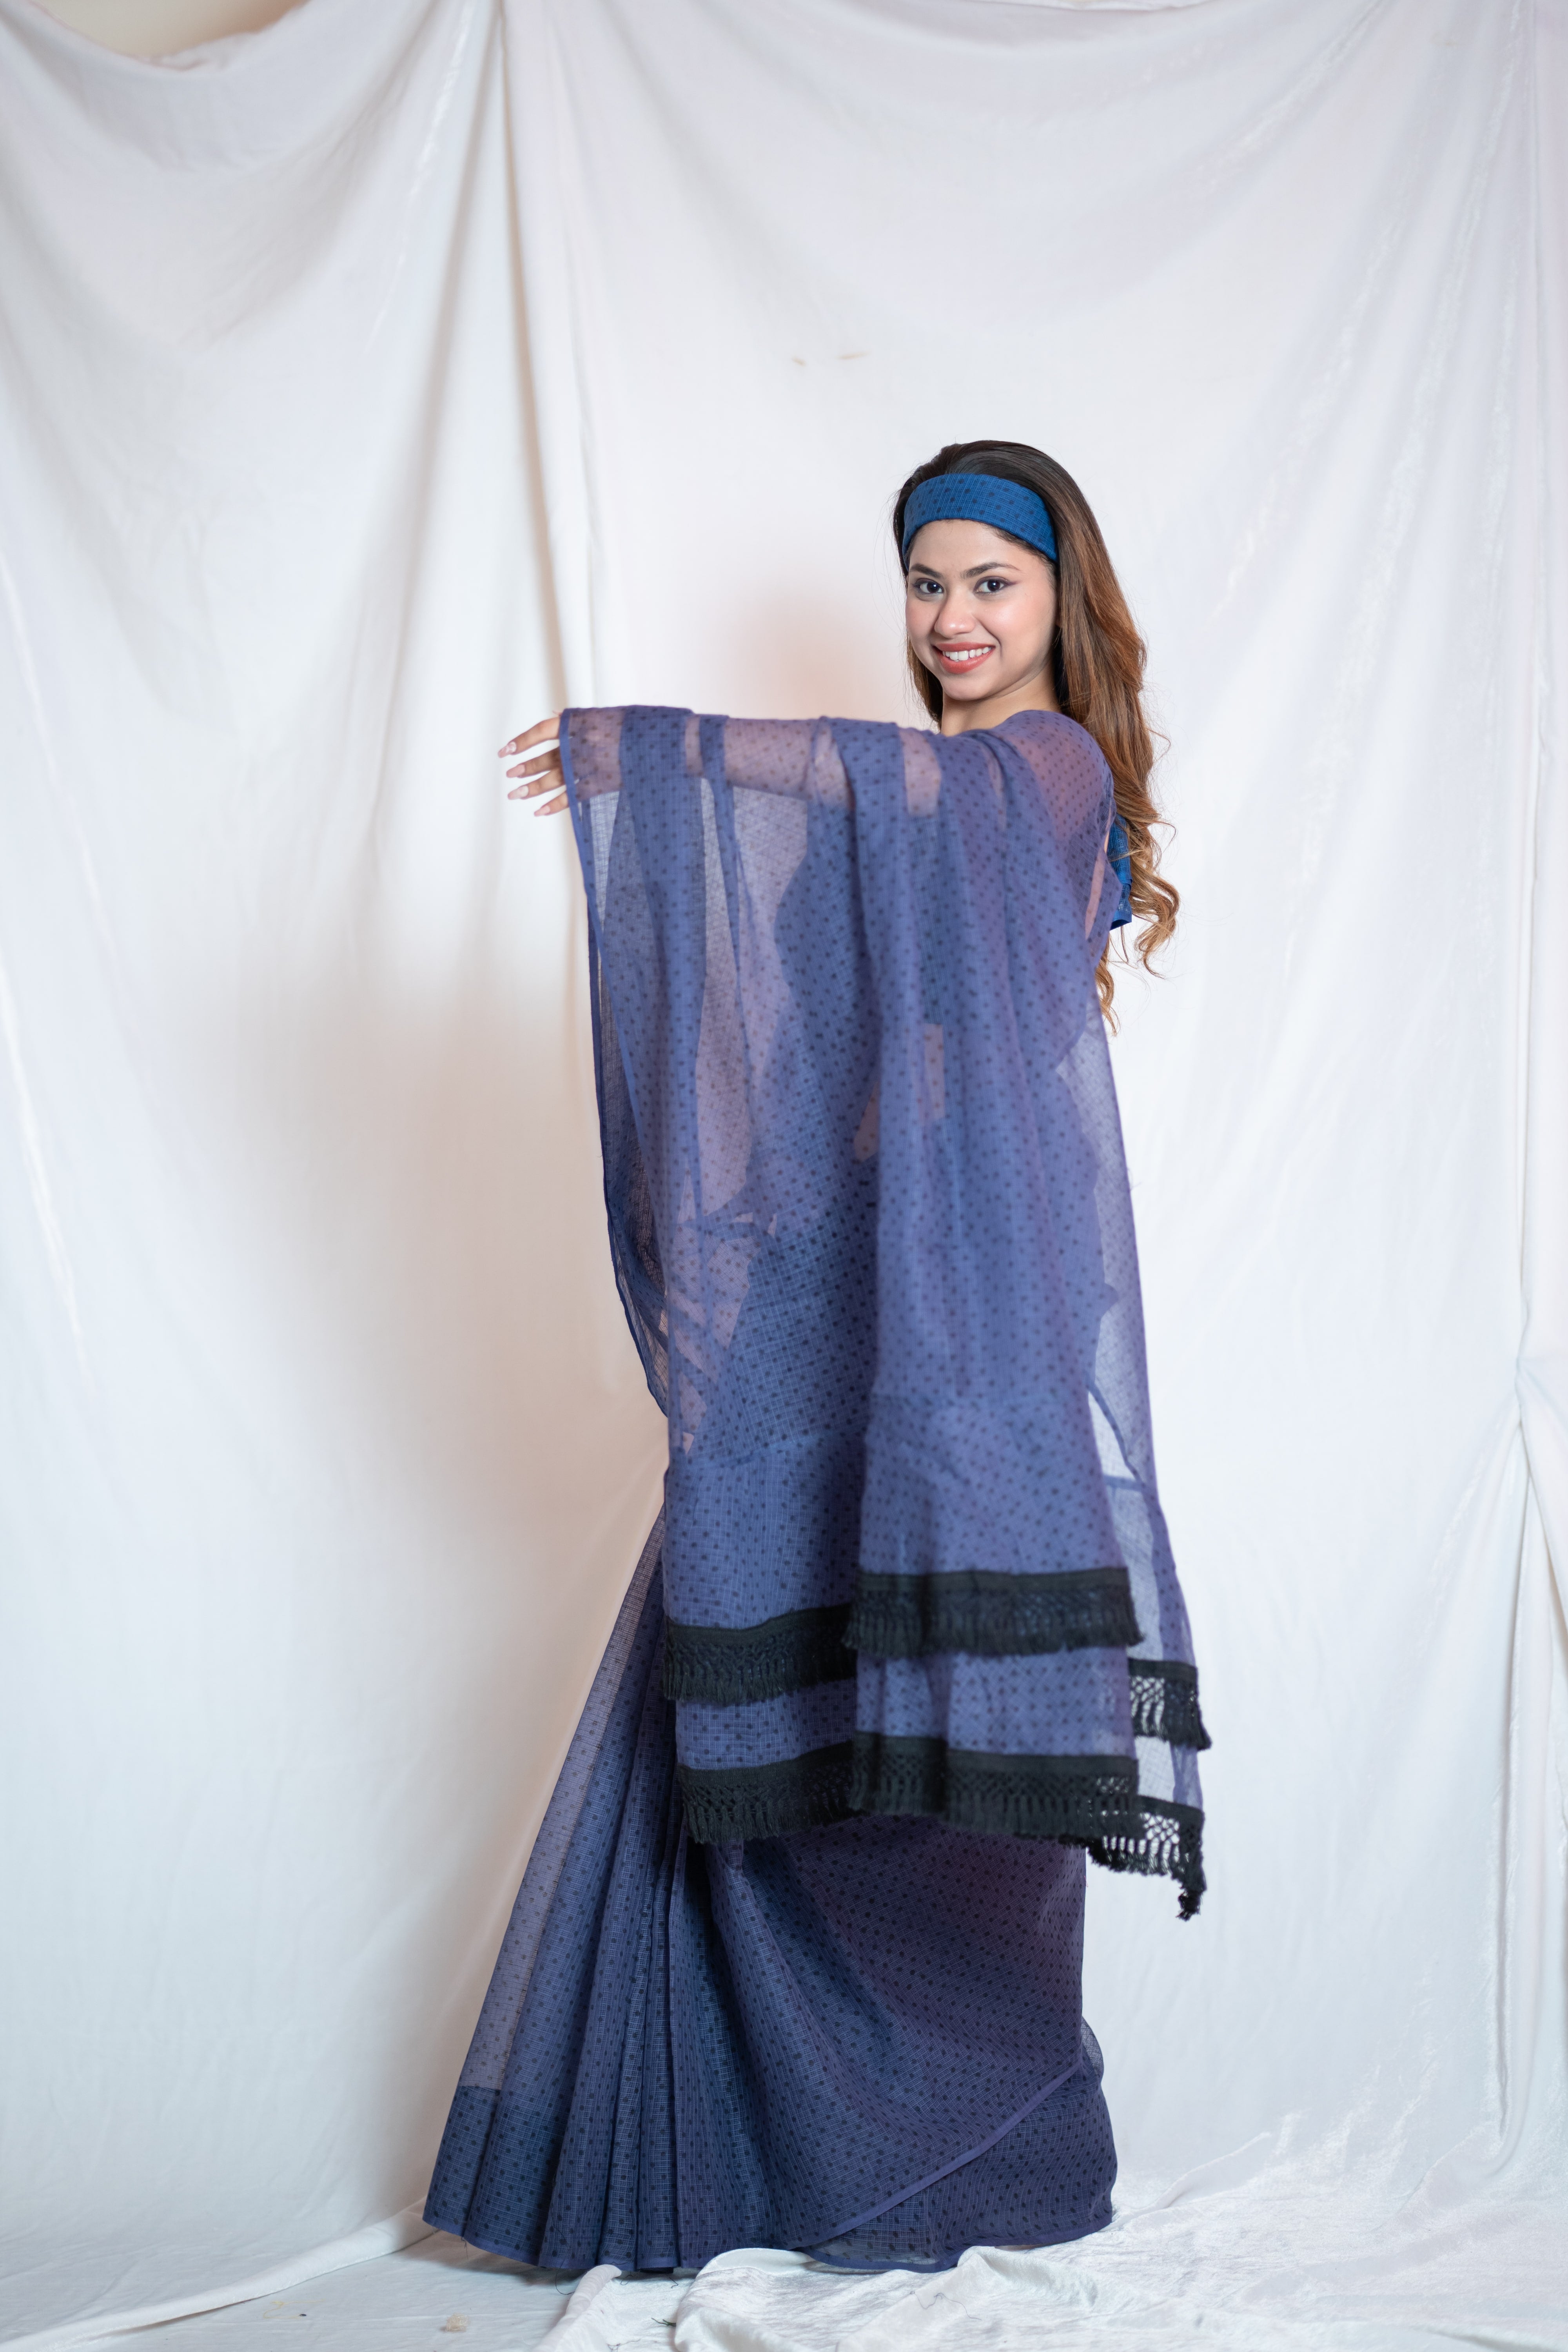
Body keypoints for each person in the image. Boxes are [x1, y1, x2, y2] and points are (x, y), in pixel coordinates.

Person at [424, 440, 1208, 2276]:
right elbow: (808, 1041)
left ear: (1061, 599)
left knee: (967, 1733)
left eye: (990, 583)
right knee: (748, 1685)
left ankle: (969, 2148)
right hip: (836, 1291)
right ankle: (724, 2154)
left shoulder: (1043, 773)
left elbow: (912, 797)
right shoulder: (911, 806)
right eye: (926, 584)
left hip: (979, 1310)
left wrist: (666, 753)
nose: (951, 618)